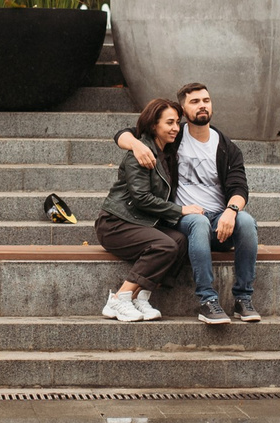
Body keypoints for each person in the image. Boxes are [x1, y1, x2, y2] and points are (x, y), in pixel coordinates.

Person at [116, 81, 258, 326]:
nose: (202, 106)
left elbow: (239, 187)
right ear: (183, 110)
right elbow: (123, 134)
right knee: (198, 222)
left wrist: (231, 211)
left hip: (220, 221)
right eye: (194, 102)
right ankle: (207, 300)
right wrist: (137, 145)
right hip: (184, 219)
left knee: (246, 221)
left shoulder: (226, 147)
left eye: (206, 100)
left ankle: (243, 299)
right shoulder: (174, 136)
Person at [93, 98, 186, 321]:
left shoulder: (166, 151)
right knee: (164, 245)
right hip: (116, 223)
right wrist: (181, 211)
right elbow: (141, 198)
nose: (175, 128)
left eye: (177, 122)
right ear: (154, 125)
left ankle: (140, 297)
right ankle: (118, 298)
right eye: (169, 123)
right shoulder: (141, 154)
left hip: (140, 222)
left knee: (180, 241)